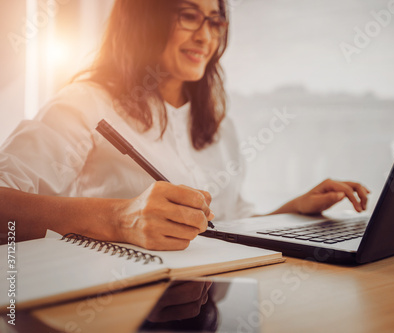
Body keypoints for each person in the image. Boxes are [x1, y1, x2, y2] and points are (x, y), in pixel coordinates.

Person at [0, 0, 369, 251]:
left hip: (207, 298)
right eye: (188, 15)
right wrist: (119, 219)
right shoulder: (83, 103)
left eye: (214, 20)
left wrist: (292, 209)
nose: (205, 37)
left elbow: (222, 225)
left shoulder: (217, 124)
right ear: (144, 19)